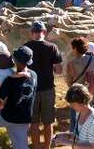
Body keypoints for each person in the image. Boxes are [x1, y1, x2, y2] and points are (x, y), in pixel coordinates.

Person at [24, 21, 63, 149]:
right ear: (44, 32)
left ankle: (36, 147)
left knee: (33, 122)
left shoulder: (26, 47)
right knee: (48, 122)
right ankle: (46, 147)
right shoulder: (52, 47)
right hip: (48, 88)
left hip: (31, 89)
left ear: (31, 33)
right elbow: (59, 70)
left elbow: (20, 68)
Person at [54, 84, 94, 149]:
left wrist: (68, 142)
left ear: (83, 102)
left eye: (73, 104)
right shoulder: (79, 112)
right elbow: (80, 136)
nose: (71, 107)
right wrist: (66, 135)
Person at [67, 38, 94, 132]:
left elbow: (69, 81)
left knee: (74, 118)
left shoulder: (71, 63)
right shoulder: (93, 59)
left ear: (75, 49)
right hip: (91, 91)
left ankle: (74, 137)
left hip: (76, 93)